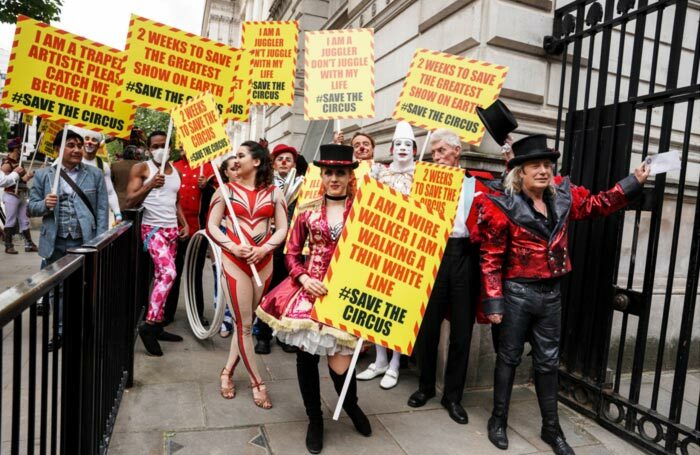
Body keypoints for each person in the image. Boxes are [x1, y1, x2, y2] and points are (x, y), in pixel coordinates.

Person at [473, 134, 649, 454]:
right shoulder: (502, 205)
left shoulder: (563, 198)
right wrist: (494, 302)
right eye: (535, 166)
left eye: (547, 165)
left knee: (548, 363)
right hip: (517, 294)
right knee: (509, 358)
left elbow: (599, 204)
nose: (543, 171)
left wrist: (632, 182)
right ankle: (498, 420)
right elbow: (490, 258)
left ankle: (551, 429)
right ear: (520, 173)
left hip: (551, 295)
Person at [256, 144, 372, 454]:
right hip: (309, 293)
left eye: (341, 172)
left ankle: (352, 406)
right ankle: (315, 420)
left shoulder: (364, 210)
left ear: (350, 176)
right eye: (330, 172)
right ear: (322, 176)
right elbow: (292, 253)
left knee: (341, 364)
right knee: (306, 358)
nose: (334, 178)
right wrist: (304, 277)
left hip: (346, 295)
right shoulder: (307, 210)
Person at [206, 140, 287, 409]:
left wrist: (263, 248)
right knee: (245, 326)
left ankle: (227, 372)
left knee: (245, 325)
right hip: (234, 262)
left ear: (256, 161)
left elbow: (282, 229)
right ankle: (257, 383)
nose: (235, 160)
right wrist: (233, 246)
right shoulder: (224, 190)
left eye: (240, 155)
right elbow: (212, 226)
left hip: (263, 263)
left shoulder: (275, 193)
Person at [407, 129, 480, 426]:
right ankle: (425, 386)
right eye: (433, 152)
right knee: (427, 328)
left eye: (439, 151)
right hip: (433, 255)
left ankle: (453, 396)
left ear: (456, 152)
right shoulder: (423, 183)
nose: (434, 156)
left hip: (464, 255)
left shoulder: (475, 184)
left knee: (462, 331)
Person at [28, 130, 109, 350]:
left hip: (84, 240)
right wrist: (45, 204)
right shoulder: (44, 175)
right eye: (70, 145)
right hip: (55, 242)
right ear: (57, 149)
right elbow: (30, 207)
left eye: (79, 145)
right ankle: (62, 331)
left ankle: (85, 329)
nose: (76, 149)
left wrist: (99, 241)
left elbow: (102, 210)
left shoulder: (94, 174)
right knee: (58, 291)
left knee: (85, 286)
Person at [356, 121, 417, 390]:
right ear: (391, 148)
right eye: (399, 144)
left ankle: (394, 364)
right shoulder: (379, 172)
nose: (402, 149)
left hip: (405, 249)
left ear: (415, 150)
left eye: (408, 145)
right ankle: (380, 359)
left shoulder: (422, 175)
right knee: (375, 305)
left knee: (397, 307)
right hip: (379, 244)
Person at [126, 131, 188, 357]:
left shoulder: (176, 172)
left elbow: (176, 201)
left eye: (163, 145)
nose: (159, 149)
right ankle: (149, 326)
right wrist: (150, 185)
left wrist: (184, 223)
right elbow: (130, 200)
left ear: (170, 147)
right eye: (155, 146)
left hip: (172, 231)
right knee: (168, 274)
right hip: (153, 230)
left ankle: (158, 323)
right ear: (148, 148)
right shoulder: (141, 169)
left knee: (167, 278)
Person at [253, 143, 303, 354]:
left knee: (286, 290)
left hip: (293, 246)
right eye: (280, 159)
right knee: (266, 290)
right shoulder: (264, 184)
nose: (284, 162)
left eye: (288, 159)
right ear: (273, 163)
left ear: (294, 164)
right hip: (268, 245)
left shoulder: (303, 185)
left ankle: (282, 334)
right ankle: (263, 336)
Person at [162, 155, 213, 326]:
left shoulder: (208, 167)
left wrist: (207, 187)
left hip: (198, 228)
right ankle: (167, 312)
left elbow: (219, 197)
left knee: (195, 273)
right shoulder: (173, 165)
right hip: (174, 227)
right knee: (172, 272)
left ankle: (197, 313)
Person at [78, 129, 122, 223]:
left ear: (98, 145)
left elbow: (110, 192)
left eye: (94, 140)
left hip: (93, 214)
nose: (89, 142)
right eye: (87, 139)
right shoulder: (72, 159)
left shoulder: (103, 166)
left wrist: (117, 214)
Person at [2, 138, 38, 253]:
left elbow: (23, 179)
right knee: (11, 220)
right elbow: (4, 181)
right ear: (15, 149)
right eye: (20, 148)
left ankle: (29, 244)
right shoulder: (7, 164)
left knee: (24, 220)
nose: (21, 151)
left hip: (21, 195)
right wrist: (15, 173)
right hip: (11, 195)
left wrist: (32, 174)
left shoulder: (19, 163)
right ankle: (8, 245)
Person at [111, 145, 140, 210]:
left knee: (119, 220)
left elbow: (110, 184)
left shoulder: (115, 165)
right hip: (137, 203)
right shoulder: (141, 165)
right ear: (135, 155)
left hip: (119, 204)